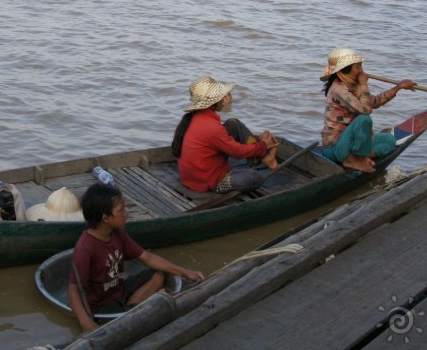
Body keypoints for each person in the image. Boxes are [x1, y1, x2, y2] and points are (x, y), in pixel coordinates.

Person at [68, 183, 204, 333]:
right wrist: (86, 323)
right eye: (121, 210)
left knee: (158, 275)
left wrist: (185, 272)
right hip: (102, 305)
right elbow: (73, 289)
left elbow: (147, 257)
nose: (126, 213)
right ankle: (136, 310)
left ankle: (132, 308)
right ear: (105, 217)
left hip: (119, 290)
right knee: (159, 294)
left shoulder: (117, 234)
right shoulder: (85, 248)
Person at [171, 76, 279, 193]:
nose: (223, 100)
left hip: (193, 176)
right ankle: (265, 156)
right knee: (254, 178)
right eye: (221, 97)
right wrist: (263, 145)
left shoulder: (196, 117)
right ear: (214, 102)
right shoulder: (212, 127)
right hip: (207, 181)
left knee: (233, 123)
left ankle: (265, 158)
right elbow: (237, 152)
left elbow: (224, 140)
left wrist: (258, 139)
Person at [320, 48, 416, 173]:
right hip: (337, 147)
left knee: (390, 140)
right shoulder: (338, 90)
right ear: (344, 70)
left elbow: (374, 102)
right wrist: (364, 84)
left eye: (361, 66)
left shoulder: (354, 85)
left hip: (352, 143)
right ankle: (351, 159)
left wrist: (398, 87)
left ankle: (362, 156)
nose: (361, 70)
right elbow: (365, 110)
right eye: (357, 67)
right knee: (364, 119)